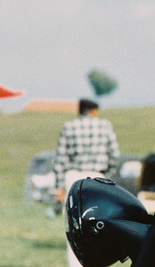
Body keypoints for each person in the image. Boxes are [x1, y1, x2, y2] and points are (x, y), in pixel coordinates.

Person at [53, 99, 120, 267]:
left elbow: (60, 159)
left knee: (73, 227)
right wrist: (107, 177)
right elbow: (115, 154)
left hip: (73, 178)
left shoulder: (69, 126)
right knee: (97, 226)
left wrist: (59, 185)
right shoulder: (105, 126)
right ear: (93, 110)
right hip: (97, 177)